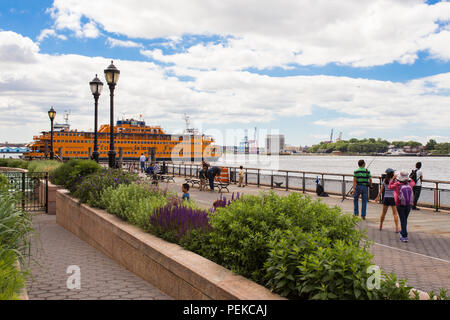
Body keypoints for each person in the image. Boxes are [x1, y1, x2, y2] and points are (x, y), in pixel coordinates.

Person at [389, 170, 415, 243]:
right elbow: (414, 182)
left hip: (400, 204)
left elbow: (390, 186)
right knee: (405, 219)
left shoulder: (397, 184)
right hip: (409, 204)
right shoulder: (410, 184)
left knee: (403, 220)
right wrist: (409, 178)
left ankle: (404, 236)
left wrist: (393, 178)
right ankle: (403, 231)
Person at [375, 168, 400, 233]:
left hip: (386, 197)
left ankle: (380, 225)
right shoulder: (394, 180)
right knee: (395, 213)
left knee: (383, 213)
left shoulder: (384, 180)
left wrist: (378, 197)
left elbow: (381, 189)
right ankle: (397, 228)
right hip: (393, 198)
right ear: (392, 173)